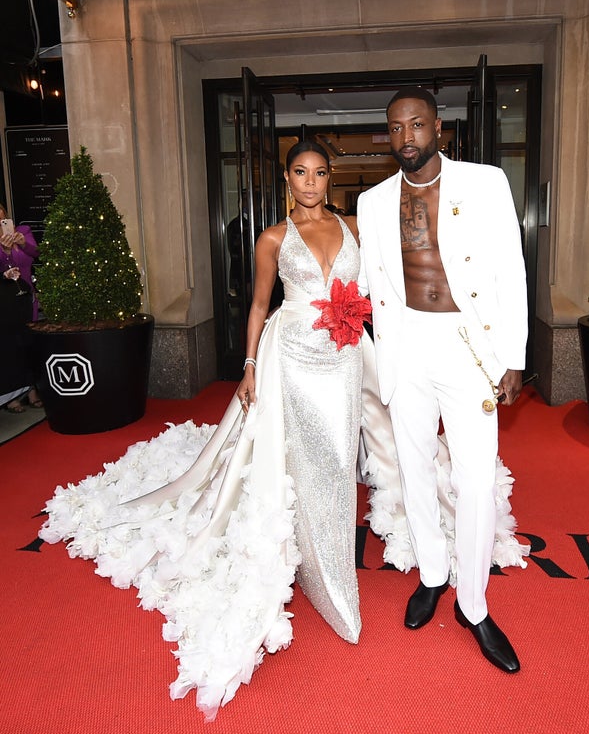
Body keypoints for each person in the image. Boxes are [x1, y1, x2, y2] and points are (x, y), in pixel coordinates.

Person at [40, 141, 527, 720]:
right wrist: (247, 367)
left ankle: (420, 575)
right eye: (300, 172)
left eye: (321, 173)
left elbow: (397, 278)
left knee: (350, 456)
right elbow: (257, 306)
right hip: (291, 358)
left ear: (330, 178)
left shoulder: (357, 225)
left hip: (346, 358)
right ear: (286, 178)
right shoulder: (271, 238)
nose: (311, 182)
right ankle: (327, 577)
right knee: (306, 461)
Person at [357, 87, 529, 674]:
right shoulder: (374, 200)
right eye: (395, 128)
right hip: (406, 346)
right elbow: (372, 279)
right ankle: (432, 574)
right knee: (414, 467)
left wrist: (513, 355)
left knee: (476, 479)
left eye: (416, 125)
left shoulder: (485, 184)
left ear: (438, 127)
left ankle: (475, 606)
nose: (406, 137)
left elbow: (511, 268)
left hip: (466, 344)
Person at [0, 204, 42, 412]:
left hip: (26, 298)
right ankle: (12, 397)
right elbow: (5, 268)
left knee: (29, 342)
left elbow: (35, 253)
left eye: (2, 218)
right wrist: (6, 251)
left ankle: (33, 389)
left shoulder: (23, 231)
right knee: (11, 347)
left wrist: (23, 243)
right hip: (6, 304)